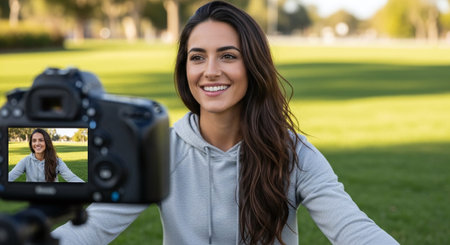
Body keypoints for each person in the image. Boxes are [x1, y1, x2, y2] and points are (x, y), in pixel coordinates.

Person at [53, 1, 399, 244]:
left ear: (253, 66)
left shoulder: (295, 153)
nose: (210, 71)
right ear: (184, 69)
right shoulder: (158, 151)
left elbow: (354, 231)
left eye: (228, 56)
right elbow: (92, 228)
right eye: (197, 57)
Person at [8, 128, 84, 183]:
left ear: (47, 142)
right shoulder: (26, 161)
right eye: (34, 141)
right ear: (31, 144)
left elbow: (71, 178)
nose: (37, 143)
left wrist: (88, 188)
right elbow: (10, 176)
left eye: (41, 140)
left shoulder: (57, 161)